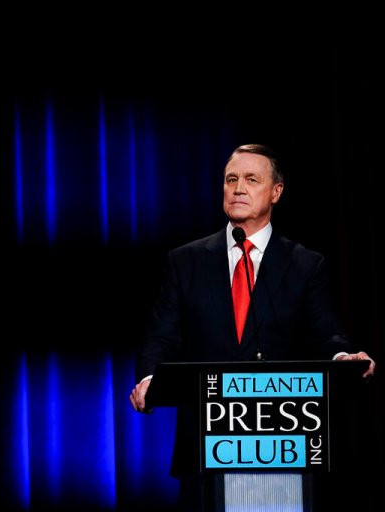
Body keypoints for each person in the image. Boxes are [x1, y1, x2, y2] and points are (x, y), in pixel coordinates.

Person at [129, 144, 375, 511]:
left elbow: (325, 332)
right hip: (207, 448)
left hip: (283, 445)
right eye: (231, 180)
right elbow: (161, 335)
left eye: (251, 179)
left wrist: (343, 356)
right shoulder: (186, 262)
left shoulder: (305, 264)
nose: (238, 188)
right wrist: (150, 379)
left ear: (276, 192)